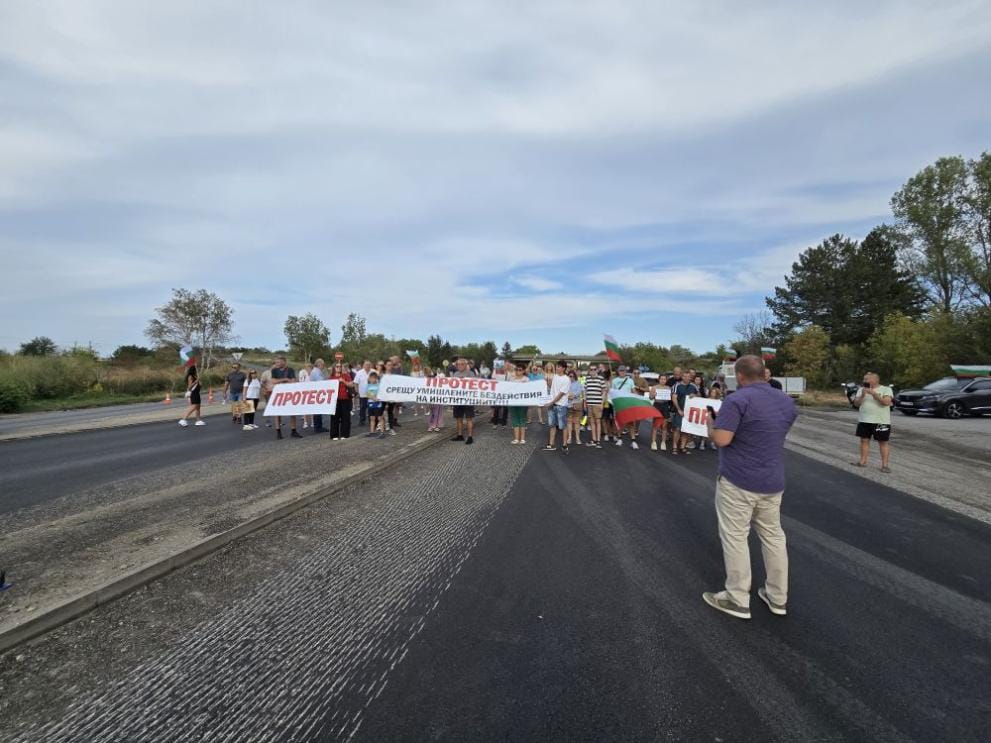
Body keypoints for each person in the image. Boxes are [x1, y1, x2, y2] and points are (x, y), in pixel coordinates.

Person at [703, 355, 798, 620]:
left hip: (739, 481)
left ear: (740, 375)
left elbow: (722, 439)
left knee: (735, 537)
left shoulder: (737, 400)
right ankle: (778, 597)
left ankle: (737, 598)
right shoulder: (786, 402)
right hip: (773, 481)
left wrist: (712, 425)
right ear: (765, 373)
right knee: (774, 538)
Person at [853, 372, 893, 473]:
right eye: (864, 379)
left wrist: (874, 394)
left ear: (875, 380)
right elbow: (856, 404)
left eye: (866, 379)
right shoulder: (861, 389)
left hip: (881, 421)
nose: (864, 381)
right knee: (864, 440)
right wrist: (862, 395)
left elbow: (886, 402)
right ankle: (863, 462)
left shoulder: (886, 389)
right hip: (864, 420)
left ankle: (885, 465)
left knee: (883, 442)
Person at [543, 361, 571, 452]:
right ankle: (551, 444)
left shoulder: (566, 379)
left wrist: (551, 402)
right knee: (552, 425)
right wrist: (547, 383)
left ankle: (565, 445)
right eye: (557, 366)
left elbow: (561, 394)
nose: (557, 368)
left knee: (563, 426)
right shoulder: (554, 377)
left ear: (563, 368)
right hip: (552, 404)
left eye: (559, 367)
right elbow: (552, 387)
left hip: (561, 405)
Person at [271, 356, 301, 439]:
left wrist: (280, 381)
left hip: (289, 394)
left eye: (278, 362)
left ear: (284, 362)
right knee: (277, 413)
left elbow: (293, 381)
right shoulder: (274, 370)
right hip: (278, 394)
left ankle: (293, 431)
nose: (276, 364)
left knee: (292, 412)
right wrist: (286, 379)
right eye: (276, 362)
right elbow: (273, 381)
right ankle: (278, 432)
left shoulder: (290, 370)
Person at [450, 358, 476, 445]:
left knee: (469, 418)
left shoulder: (471, 374)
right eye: (458, 364)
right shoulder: (455, 374)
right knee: (458, 418)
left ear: (466, 365)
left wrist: (464, 380)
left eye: (462, 364)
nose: (460, 366)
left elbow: (475, 385)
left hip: (468, 399)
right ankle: (460, 435)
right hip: (458, 399)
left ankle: (470, 437)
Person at [671, 370, 698, 455]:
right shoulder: (676, 385)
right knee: (677, 429)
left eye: (688, 376)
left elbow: (700, 396)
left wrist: (695, 395)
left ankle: (682, 446)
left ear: (690, 377)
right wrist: (679, 409)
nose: (686, 378)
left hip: (689, 412)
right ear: (682, 377)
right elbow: (674, 398)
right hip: (679, 411)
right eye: (684, 376)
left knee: (686, 430)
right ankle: (674, 447)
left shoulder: (694, 386)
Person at [611, 365, 638, 449]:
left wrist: (638, 398)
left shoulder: (630, 380)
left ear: (626, 372)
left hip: (628, 403)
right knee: (619, 422)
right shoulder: (614, 380)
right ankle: (619, 439)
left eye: (623, 371)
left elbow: (633, 391)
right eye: (620, 371)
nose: (622, 372)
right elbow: (612, 392)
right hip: (618, 403)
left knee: (630, 423)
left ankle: (633, 441)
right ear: (618, 371)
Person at [329, 361, 354, 440]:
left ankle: (344, 434)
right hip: (334, 400)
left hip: (345, 399)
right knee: (334, 418)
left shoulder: (345, 375)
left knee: (345, 417)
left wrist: (343, 381)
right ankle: (334, 435)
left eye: (340, 366)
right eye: (337, 366)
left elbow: (351, 384)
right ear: (334, 367)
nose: (338, 368)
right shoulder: (331, 377)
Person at [583, 366, 606, 448]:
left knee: (598, 422)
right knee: (591, 422)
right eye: (591, 369)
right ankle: (594, 440)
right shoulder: (587, 379)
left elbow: (604, 391)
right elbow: (585, 391)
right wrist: (585, 402)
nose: (592, 370)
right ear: (589, 370)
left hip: (597, 403)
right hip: (589, 403)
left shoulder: (600, 378)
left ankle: (598, 441)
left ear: (597, 370)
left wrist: (602, 403)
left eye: (594, 369)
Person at [650, 374, 672, 451]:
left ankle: (663, 442)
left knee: (665, 425)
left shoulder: (668, 388)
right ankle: (653, 442)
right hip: (657, 405)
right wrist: (653, 395)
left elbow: (670, 399)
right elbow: (650, 397)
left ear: (666, 380)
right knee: (655, 425)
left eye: (664, 379)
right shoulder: (654, 387)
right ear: (659, 379)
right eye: (661, 379)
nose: (663, 380)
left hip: (665, 406)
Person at [509, 363, 529, 444]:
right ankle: (516, 438)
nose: (518, 371)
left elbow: (529, 390)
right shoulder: (511, 379)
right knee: (514, 419)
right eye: (516, 370)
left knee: (522, 419)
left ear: (523, 371)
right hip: (512, 402)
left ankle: (522, 438)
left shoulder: (526, 379)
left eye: (520, 370)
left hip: (523, 402)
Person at [564, 369, 584, 448]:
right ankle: (569, 438)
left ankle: (578, 438)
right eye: (569, 376)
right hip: (568, 405)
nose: (570, 378)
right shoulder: (566, 384)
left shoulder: (578, 383)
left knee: (577, 422)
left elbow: (578, 393)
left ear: (574, 376)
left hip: (576, 405)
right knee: (569, 422)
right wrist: (570, 395)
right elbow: (564, 393)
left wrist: (571, 395)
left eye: (572, 376)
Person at [365, 372, 386, 438]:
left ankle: (382, 432)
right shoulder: (368, 386)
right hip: (371, 404)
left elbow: (381, 394)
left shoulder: (379, 385)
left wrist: (377, 398)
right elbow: (367, 394)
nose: (372, 379)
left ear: (376, 378)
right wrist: (373, 398)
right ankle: (372, 432)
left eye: (374, 378)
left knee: (380, 418)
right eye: (371, 378)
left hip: (378, 404)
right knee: (372, 418)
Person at [309, 359, 327, 433]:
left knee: (318, 410)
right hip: (316, 392)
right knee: (317, 410)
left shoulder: (316, 371)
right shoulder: (316, 372)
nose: (323, 366)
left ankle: (319, 426)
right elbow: (321, 381)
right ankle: (318, 427)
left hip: (317, 392)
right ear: (318, 364)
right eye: (322, 364)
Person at [427, 365, 445, 431]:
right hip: (431, 398)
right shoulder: (428, 380)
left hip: (438, 398)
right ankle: (431, 425)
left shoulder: (439, 379)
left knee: (437, 412)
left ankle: (437, 425)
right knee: (432, 412)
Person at [354, 360, 372, 426]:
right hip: (362, 394)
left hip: (371, 394)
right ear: (363, 365)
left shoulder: (373, 372)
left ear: (371, 365)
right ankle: (362, 420)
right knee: (362, 408)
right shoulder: (359, 373)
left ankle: (371, 420)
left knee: (371, 407)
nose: (367, 366)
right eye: (366, 365)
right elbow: (355, 383)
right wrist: (357, 392)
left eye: (369, 365)